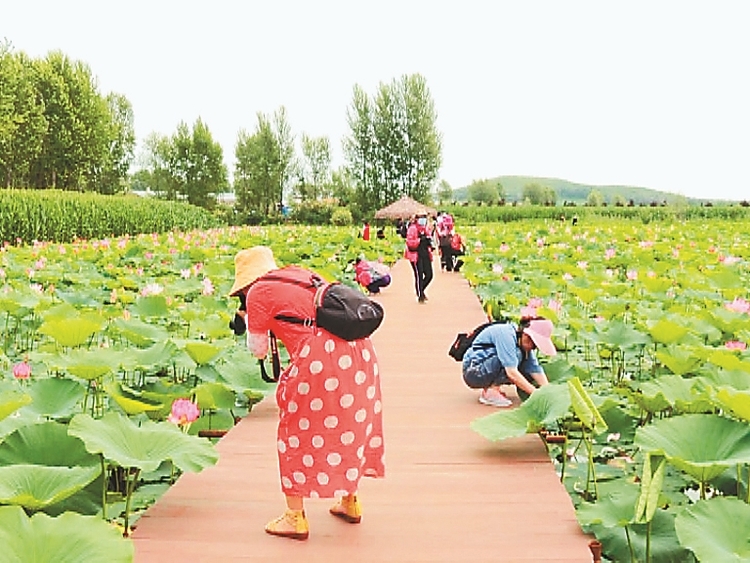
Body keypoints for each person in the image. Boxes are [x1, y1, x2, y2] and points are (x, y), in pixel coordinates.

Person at [229, 246, 385, 540]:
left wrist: (252, 320)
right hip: (360, 352)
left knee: (295, 432)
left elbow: (258, 350)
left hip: (320, 359)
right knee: (348, 427)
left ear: (245, 282)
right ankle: (350, 501)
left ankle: (294, 517)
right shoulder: (300, 275)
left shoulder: (257, 293)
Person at [462, 317, 556, 407]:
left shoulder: (522, 345)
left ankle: (493, 387)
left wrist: (547, 392)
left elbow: (535, 369)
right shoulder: (506, 334)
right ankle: (491, 391)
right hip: (473, 371)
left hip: (486, 365)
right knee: (516, 356)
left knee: (525, 368)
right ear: (524, 333)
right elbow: (511, 372)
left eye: (535, 345)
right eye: (530, 340)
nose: (531, 346)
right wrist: (536, 394)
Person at [405, 212, 434, 303]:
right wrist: (420, 241)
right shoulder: (412, 229)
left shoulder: (425, 229)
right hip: (416, 255)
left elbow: (430, 239)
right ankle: (420, 294)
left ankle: (420, 290)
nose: (423, 219)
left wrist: (429, 242)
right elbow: (409, 243)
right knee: (419, 275)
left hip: (425, 253)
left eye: (425, 217)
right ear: (417, 219)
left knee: (429, 274)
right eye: (422, 217)